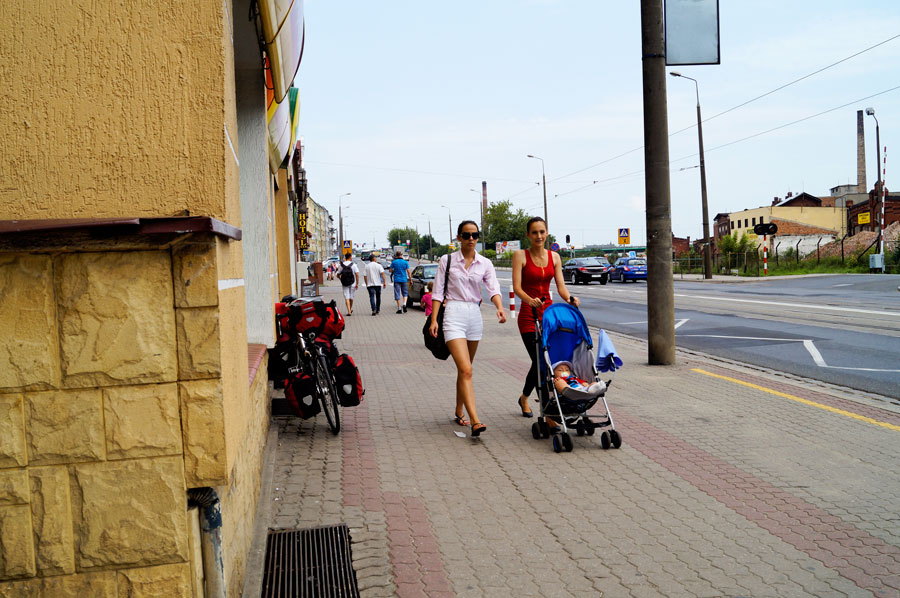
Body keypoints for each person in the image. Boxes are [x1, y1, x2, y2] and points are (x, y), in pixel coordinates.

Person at [429, 221, 506, 437]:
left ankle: (458, 410)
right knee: (466, 370)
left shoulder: (485, 263)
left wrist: (500, 308)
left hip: (474, 314)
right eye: (466, 235)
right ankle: (475, 420)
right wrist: (434, 320)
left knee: (465, 369)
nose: (471, 238)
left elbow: (493, 288)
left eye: (474, 235)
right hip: (452, 313)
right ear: (459, 237)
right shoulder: (447, 260)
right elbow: (437, 292)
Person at [512, 216, 579, 420]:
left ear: (547, 233)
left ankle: (525, 397)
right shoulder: (520, 256)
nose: (539, 236)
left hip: (548, 316)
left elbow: (560, 287)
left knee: (547, 362)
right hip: (528, 316)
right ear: (528, 235)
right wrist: (529, 299)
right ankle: (549, 414)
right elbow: (517, 287)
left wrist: (570, 299)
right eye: (534, 232)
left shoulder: (555, 257)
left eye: (542, 232)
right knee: (540, 361)